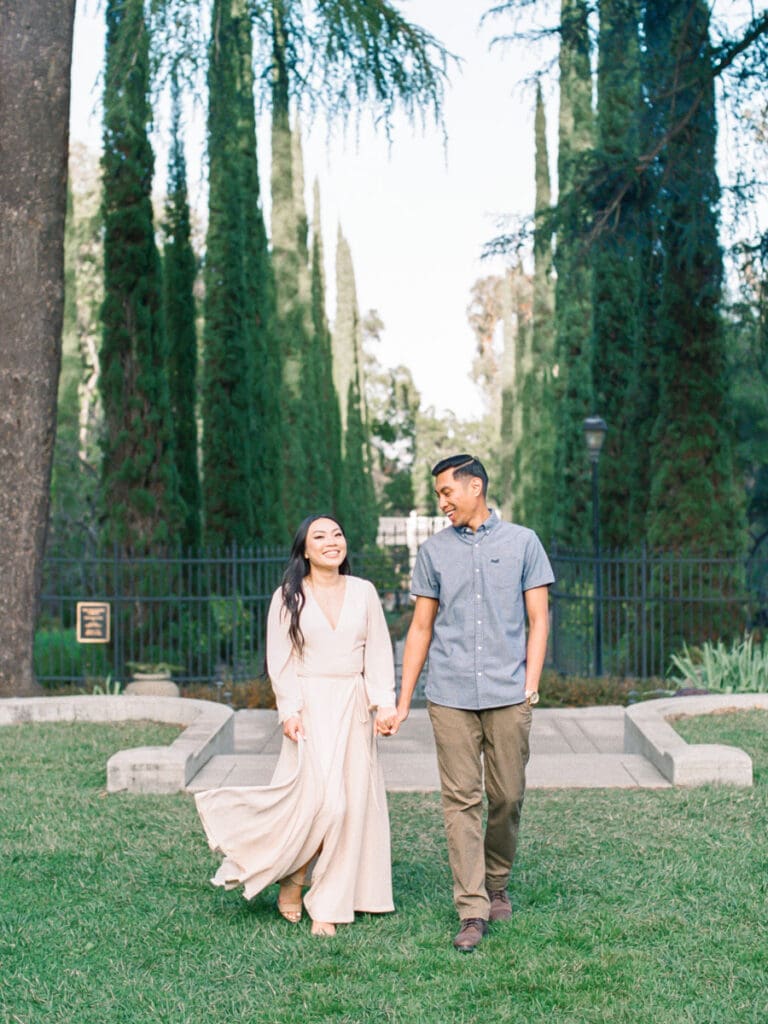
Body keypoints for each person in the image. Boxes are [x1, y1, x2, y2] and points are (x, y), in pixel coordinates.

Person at [195, 514, 398, 937]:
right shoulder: (288, 596)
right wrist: (289, 710)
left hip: (355, 706)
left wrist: (385, 704)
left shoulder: (364, 592)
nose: (331, 542)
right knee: (323, 804)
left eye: (338, 534)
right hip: (309, 709)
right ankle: (293, 875)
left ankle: (326, 901)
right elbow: (280, 660)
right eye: (319, 536)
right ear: (305, 550)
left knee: (352, 807)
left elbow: (378, 651)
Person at [391, 455, 554, 952]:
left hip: (508, 694)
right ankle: (472, 906)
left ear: (475, 486)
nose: (441, 503)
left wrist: (530, 685)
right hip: (450, 696)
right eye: (439, 494)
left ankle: (497, 879)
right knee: (461, 801)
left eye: (446, 492)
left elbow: (539, 619)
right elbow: (420, 628)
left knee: (507, 797)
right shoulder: (433, 552)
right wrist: (403, 701)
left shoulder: (523, 542)